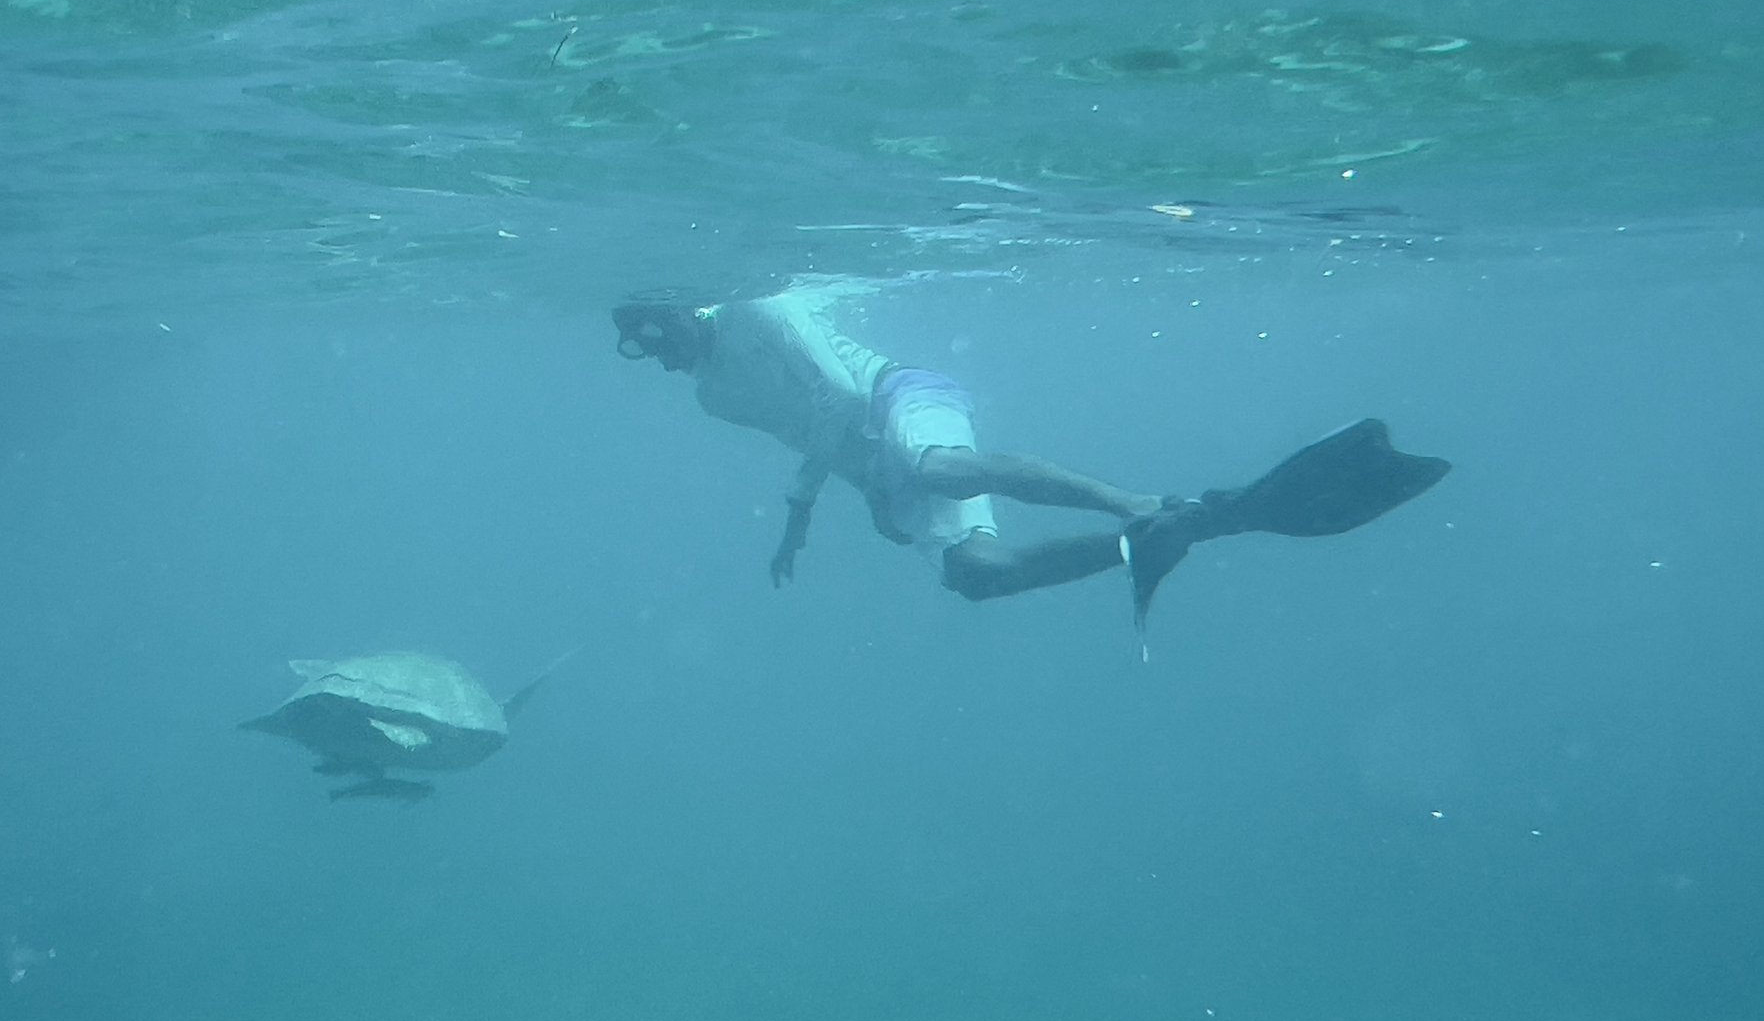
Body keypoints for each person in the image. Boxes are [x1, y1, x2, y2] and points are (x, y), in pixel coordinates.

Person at [612, 289, 1452, 622]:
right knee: (978, 577)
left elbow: (836, 394)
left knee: (939, 467)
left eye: (660, 335)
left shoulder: (757, 307)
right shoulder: (712, 396)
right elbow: (805, 436)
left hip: (900, 397)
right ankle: (1188, 523)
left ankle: (1129, 502)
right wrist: (800, 519)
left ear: (681, 309)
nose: (662, 357)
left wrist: (868, 491)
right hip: (868, 455)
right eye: (647, 350)